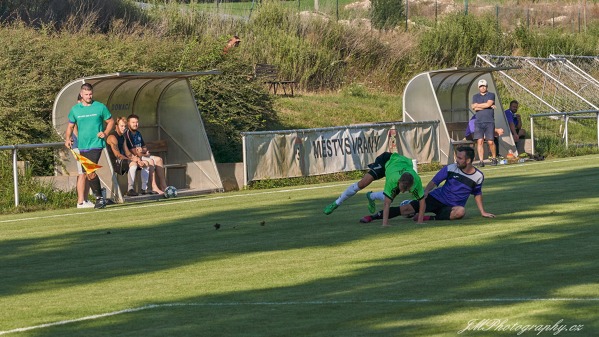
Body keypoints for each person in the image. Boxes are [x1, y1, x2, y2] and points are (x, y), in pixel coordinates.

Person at [360, 146, 495, 223]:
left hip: (452, 207)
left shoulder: (478, 176)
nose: (457, 160)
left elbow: (477, 193)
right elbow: (435, 181)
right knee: (405, 210)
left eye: (460, 158)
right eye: (456, 157)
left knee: (460, 212)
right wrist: (425, 192)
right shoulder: (450, 168)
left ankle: (428, 218)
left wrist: (482, 212)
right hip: (435, 198)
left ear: (469, 160)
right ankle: (373, 216)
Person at [323, 152, 427, 225]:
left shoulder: (416, 181)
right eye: (403, 189)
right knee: (363, 183)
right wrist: (385, 224)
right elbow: (387, 203)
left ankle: (371, 196)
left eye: (407, 190)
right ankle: (337, 202)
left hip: (400, 165)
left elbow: (422, 201)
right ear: (399, 182)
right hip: (386, 160)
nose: (404, 192)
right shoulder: (392, 179)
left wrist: (420, 222)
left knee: (392, 195)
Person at [64, 83, 114, 209]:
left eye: (90, 94)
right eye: (86, 94)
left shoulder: (100, 107)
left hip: (96, 144)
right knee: (88, 172)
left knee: (90, 170)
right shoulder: (75, 110)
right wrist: (67, 138)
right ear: (81, 94)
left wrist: (106, 132)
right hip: (82, 145)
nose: (89, 96)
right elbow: (70, 126)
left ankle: (99, 198)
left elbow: (111, 121)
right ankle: (99, 198)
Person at [106, 117, 151, 197]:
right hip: (114, 163)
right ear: (116, 126)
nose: (124, 128)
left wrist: (137, 159)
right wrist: (133, 161)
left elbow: (128, 153)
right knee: (133, 164)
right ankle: (130, 189)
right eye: (121, 126)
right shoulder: (112, 137)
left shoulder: (123, 137)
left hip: (123, 160)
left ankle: (144, 189)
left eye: (125, 126)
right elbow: (118, 155)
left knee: (146, 163)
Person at [124, 114, 166, 194]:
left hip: (142, 155)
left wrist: (142, 150)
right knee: (150, 161)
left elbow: (145, 147)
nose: (135, 124)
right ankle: (154, 187)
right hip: (135, 157)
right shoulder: (128, 134)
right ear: (128, 123)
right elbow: (133, 151)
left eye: (137, 122)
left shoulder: (138, 133)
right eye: (133, 122)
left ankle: (164, 186)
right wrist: (144, 154)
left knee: (159, 159)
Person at [471, 79, 497, 167]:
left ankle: (494, 158)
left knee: (490, 141)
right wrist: (487, 106)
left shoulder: (491, 95)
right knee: (480, 141)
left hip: (489, 121)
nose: (483, 87)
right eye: (481, 86)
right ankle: (481, 161)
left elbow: (488, 104)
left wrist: (479, 106)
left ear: (487, 87)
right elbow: (474, 108)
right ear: (479, 87)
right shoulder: (475, 96)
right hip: (478, 122)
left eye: (484, 86)